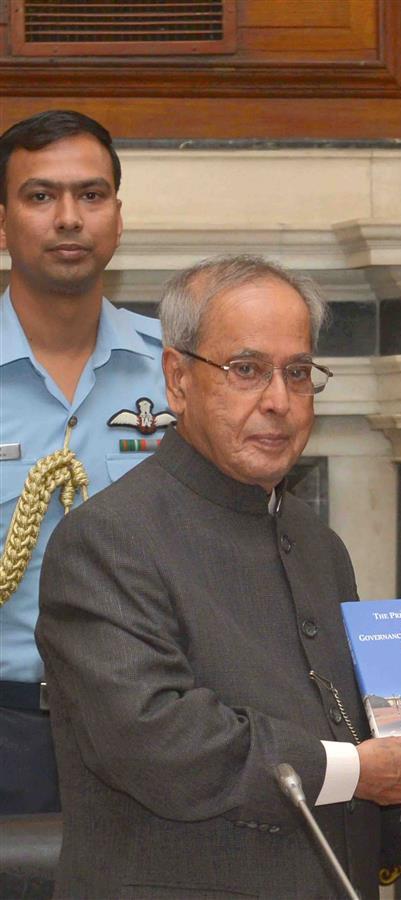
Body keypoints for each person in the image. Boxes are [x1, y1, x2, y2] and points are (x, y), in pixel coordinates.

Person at [36, 255, 401, 898]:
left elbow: (349, 790)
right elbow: (158, 743)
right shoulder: (105, 540)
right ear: (177, 381)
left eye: (297, 373)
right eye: (247, 370)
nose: (279, 402)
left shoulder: (321, 548)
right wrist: (357, 770)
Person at [0, 110, 169, 814]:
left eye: (91, 195)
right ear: (2, 221)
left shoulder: (183, 369)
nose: (69, 217)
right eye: (41, 196)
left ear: (118, 217)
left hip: (157, 722)